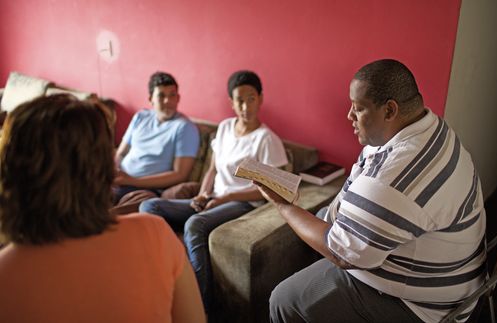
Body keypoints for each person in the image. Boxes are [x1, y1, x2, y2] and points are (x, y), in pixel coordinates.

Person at [258, 59, 486, 323]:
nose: (349, 116)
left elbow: (340, 254)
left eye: (358, 108)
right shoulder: (430, 128)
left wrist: (283, 205)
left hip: (426, 306)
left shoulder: (392, 181)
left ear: (390, 110)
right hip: (451, 271)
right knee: (321, 215)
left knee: (284, 299)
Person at [0, 94, 206, 323]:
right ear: (101, 166)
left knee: (144, 201)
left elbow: (180, 174)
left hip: (140, 187)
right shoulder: (154, 234)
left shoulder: (6, 273)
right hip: (120, 187)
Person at [140, 70, 289, 314]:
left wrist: (226, 197)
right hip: (212, 198)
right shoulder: (225, 128)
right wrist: (202, 193)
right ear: (231, 103)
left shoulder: (266, 140)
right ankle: (160, 277)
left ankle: (202, 307)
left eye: (251, 98)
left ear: (260, 99)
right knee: (149, 207)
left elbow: (273, 189)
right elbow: (212, 168)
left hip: (242, 203)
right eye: (239, 100)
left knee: (195, 225)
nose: (245, 106)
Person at [114, 71, 200, 204]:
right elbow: (121, 152)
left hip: (147, 188)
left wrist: (131, 181)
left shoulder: (184, 127)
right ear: (151, 99)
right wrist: (114, 171)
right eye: (161, 96)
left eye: (172, 95)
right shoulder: (140, 117)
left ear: (178, 98)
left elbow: (180, 174)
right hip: (121, 179)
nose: (168, 101)